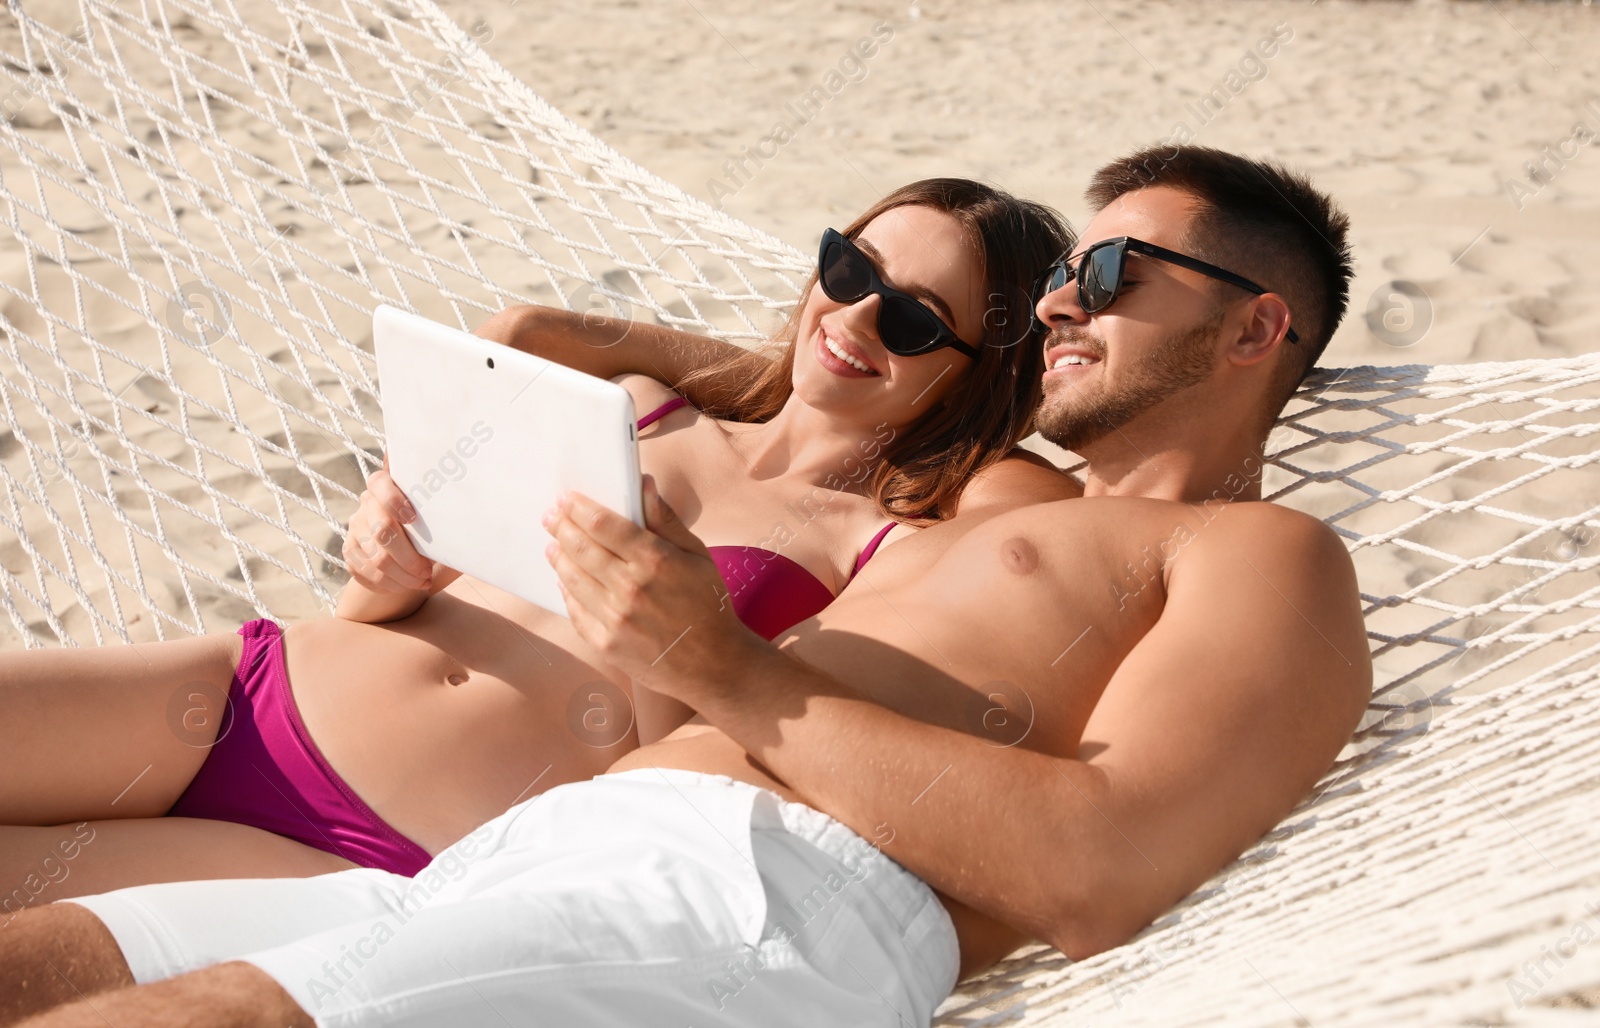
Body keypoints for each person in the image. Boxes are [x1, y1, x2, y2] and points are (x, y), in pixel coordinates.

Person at [0, 146, 1373, 1028]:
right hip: (539, 854)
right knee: (41, 965)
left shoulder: (1266, 554)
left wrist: (720, 666)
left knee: (205, 1020)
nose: (1067, 301)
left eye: (1116, 271)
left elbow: (1097, 873)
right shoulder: (980, 490)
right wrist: (790, 364)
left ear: (1258, 326)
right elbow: (826, 380)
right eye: (1067, 275)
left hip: (759, 895)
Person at [0, 179, 1078, 902]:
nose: (851, 318)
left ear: (978, 370)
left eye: (910, 319)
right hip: (247, 690)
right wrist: (383, 570)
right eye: (848, 268)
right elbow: (518, 336)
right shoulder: (634, 401)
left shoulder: (889, 549)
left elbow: (1055, 523)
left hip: (369, 858)